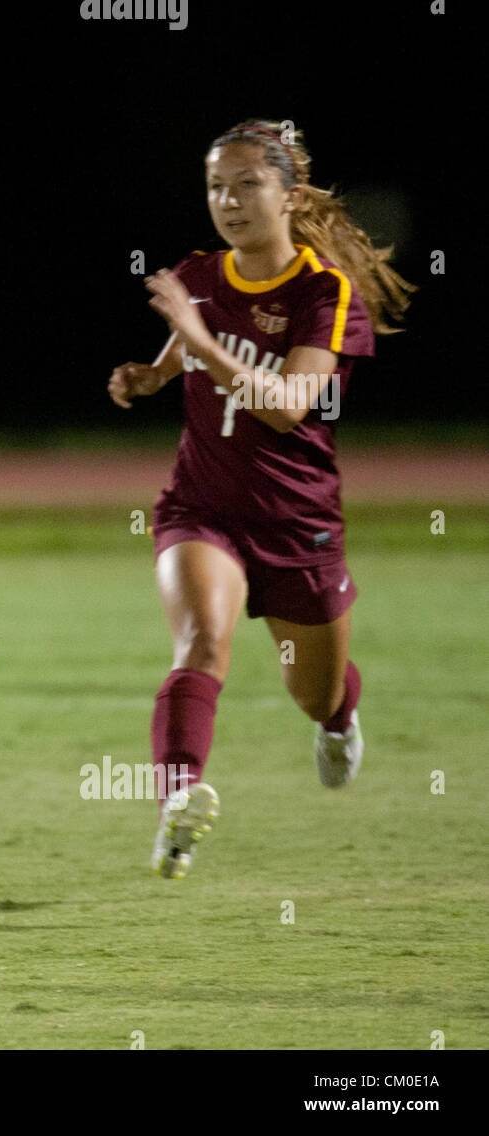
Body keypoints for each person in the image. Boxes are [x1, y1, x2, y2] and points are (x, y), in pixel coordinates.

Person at [107, 119, 415, 879]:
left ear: (290, 194)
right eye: (216, 186)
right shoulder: (202, 275)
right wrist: (149, 376)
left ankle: (339, 720)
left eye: (248, 184)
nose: (230, 202)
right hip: (200, 508)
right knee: (202, 643)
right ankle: (176, 807)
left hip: (297, 522)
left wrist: (200, 345)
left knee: (314, 693)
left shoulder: (324, 291)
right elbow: (181, 350)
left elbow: (290, 403)